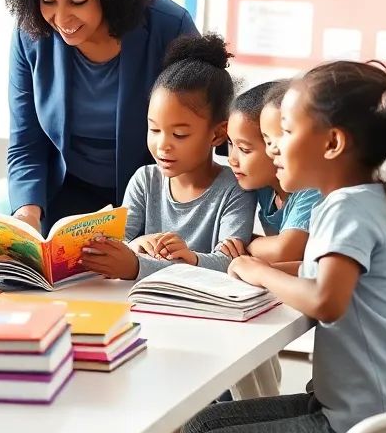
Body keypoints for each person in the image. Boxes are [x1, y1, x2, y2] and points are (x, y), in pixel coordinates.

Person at [163, 60, 386, 433]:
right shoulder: (367, 199)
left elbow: (327, 300)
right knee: (203, 424)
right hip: (375, 407)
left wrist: (259, 270)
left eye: (287, 132)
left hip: (364, 428)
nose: (274, 147)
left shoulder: (345, 209)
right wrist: (264, 269)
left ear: (332, 143)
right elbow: (325, 275)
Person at [1, 0, 199, 234]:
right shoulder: (32, 32)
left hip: (155, 196)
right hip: (67, 195)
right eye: (48, 2)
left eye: (77, 2)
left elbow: (198, 132)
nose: (61, 19)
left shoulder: (169, 26)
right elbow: (26, 141)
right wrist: (26, 214)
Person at [80, 34, 255, 282]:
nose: (162, 145)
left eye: (179, 134)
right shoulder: (145, 180)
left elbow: (230, 263)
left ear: (217, 134)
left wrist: (188, 259)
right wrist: (135, 245)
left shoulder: (235, 189)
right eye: (154, 129)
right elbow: (119, 242)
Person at [220, 80, 324, 262]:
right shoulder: (264, 187)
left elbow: (285, 252)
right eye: (230, 143)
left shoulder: (312, 189)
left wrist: (244, 243)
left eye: (244, 149)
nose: (232, 159)